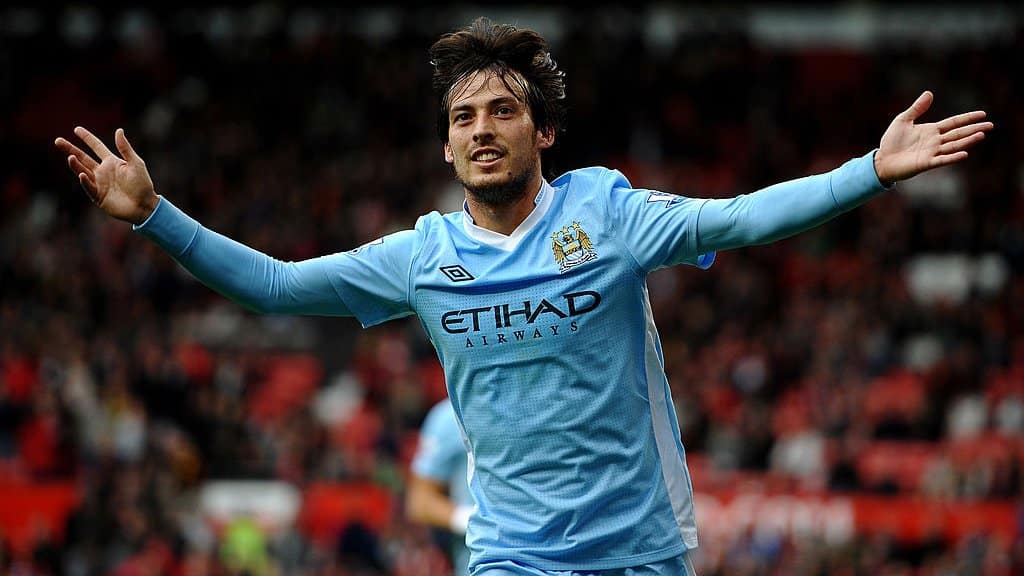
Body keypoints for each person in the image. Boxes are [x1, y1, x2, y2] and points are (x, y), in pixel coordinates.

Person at [55, 16, 992, 576]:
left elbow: (741, 219)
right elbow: (275, 288)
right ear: (446, 146)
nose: (482, 128)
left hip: (640, 552)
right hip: (511, 556)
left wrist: (871, 171)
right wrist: (155, 217)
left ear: (543, 132)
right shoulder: (422, 257)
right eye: (463, 116)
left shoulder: (609, 214)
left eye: (503, 109)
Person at [407, 398, 473, 576]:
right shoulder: (451, 415)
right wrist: (471, 520)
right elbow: (420, 501)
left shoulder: (539, 404)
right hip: (480, 561)